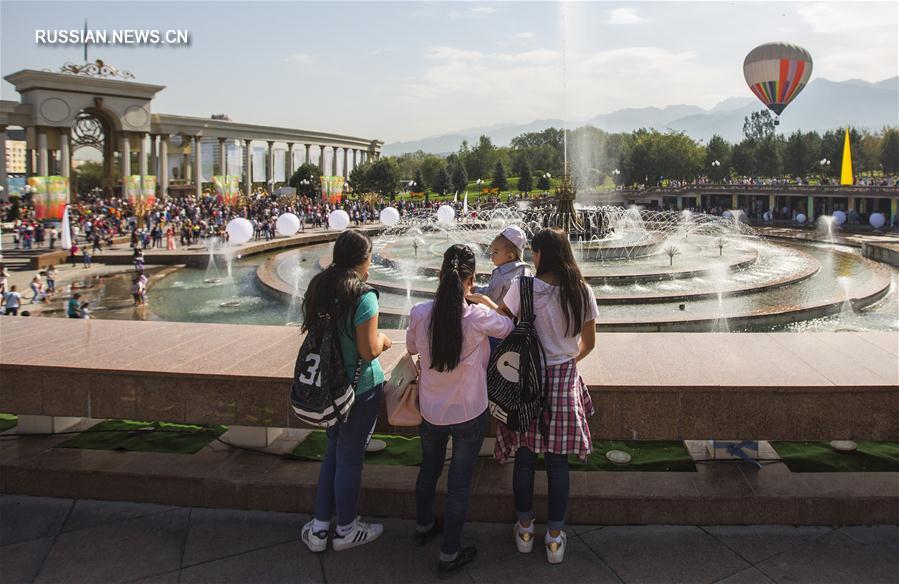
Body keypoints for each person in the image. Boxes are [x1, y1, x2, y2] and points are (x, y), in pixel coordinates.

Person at [469, 228, 598, 565]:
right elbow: (590, 343)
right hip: (562, 381)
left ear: (540, 254)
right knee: (557, 462)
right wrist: (565, 361)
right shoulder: (581, 291)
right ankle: (555, 537)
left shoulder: (523, 287)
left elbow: (500, 323)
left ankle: (525, 529)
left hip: (524, 383)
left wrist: (483, 304)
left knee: (524, 457)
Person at [407, 244, 513, 577]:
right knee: (459, 485)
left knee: (429, 470)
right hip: (469, 411)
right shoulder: (477, 316)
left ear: (439, 276)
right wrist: (486, 302)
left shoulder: (421, 312)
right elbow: (510, 329)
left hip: (431, 410)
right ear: (472, 280)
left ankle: (424, 526)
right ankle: (449, 552)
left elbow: (411, 348)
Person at [300, 230, 392, 553]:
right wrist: (385, 340)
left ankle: (320, 527)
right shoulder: (363, 295)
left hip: (328, 385)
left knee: (334, 453)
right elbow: (368, 350)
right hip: (358, 389)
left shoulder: (319, 286)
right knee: (350, 459)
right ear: (363, 260)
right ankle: (348, 529)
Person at [473, 225, 531, 350]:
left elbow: (489, 297)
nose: (491, 256)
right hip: (519, 325)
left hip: (499, 324)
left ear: (510, 256)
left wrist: (474, 289)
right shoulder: (526, 270)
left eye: (495, 252)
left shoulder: (502, 274)